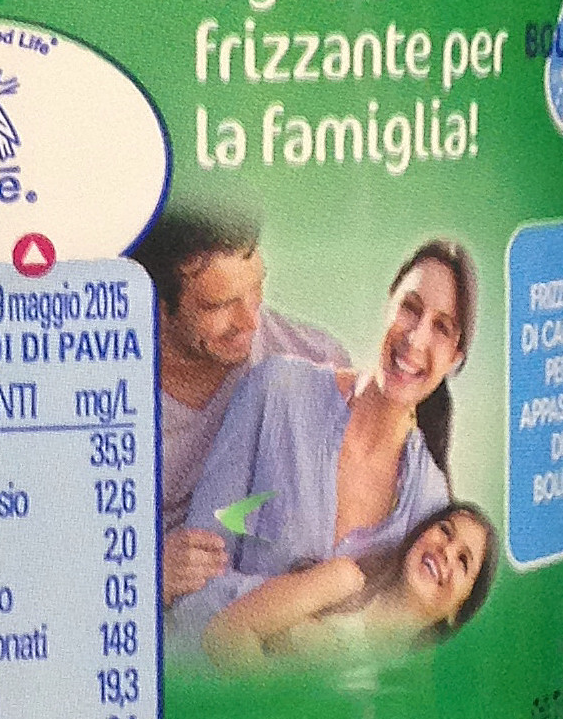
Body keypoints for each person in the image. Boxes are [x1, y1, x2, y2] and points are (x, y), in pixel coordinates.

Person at [167, 239, 480, 652]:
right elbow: (194, 590)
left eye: (442, 327)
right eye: (410, 307)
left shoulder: (430, 504)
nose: (417, 338)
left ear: (455, 357)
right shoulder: (276, 390)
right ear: (389, 303)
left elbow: (393, 642)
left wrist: (274, 626)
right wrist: (305, 608)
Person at [129, 206, 348, 543]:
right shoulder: (108, 400)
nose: (251, 322)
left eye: (256, 288)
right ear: (155, 307)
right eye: (220, 305)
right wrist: (150, 565)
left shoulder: (318, 361)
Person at [202, 502, 497, 671]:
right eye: (445, 530)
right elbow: (227, 632)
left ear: (458, 613)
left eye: (463, 561)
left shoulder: (417, 680)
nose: (446, 550)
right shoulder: (344, 581)